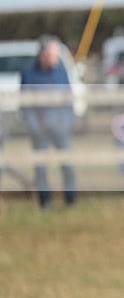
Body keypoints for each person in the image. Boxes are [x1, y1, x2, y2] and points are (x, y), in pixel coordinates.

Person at [21, 35, 77, 209]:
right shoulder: (29, 74)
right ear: (43, 54)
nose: (55, 57)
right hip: (39, 128)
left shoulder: (61, 72)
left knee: (67, 164)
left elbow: (69, 100)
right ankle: (45, 202)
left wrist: (66, 122)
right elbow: (24, 104)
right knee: (41, 168)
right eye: (52, 53)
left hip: (60, 127)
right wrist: (34, 126)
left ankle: (71, 200)